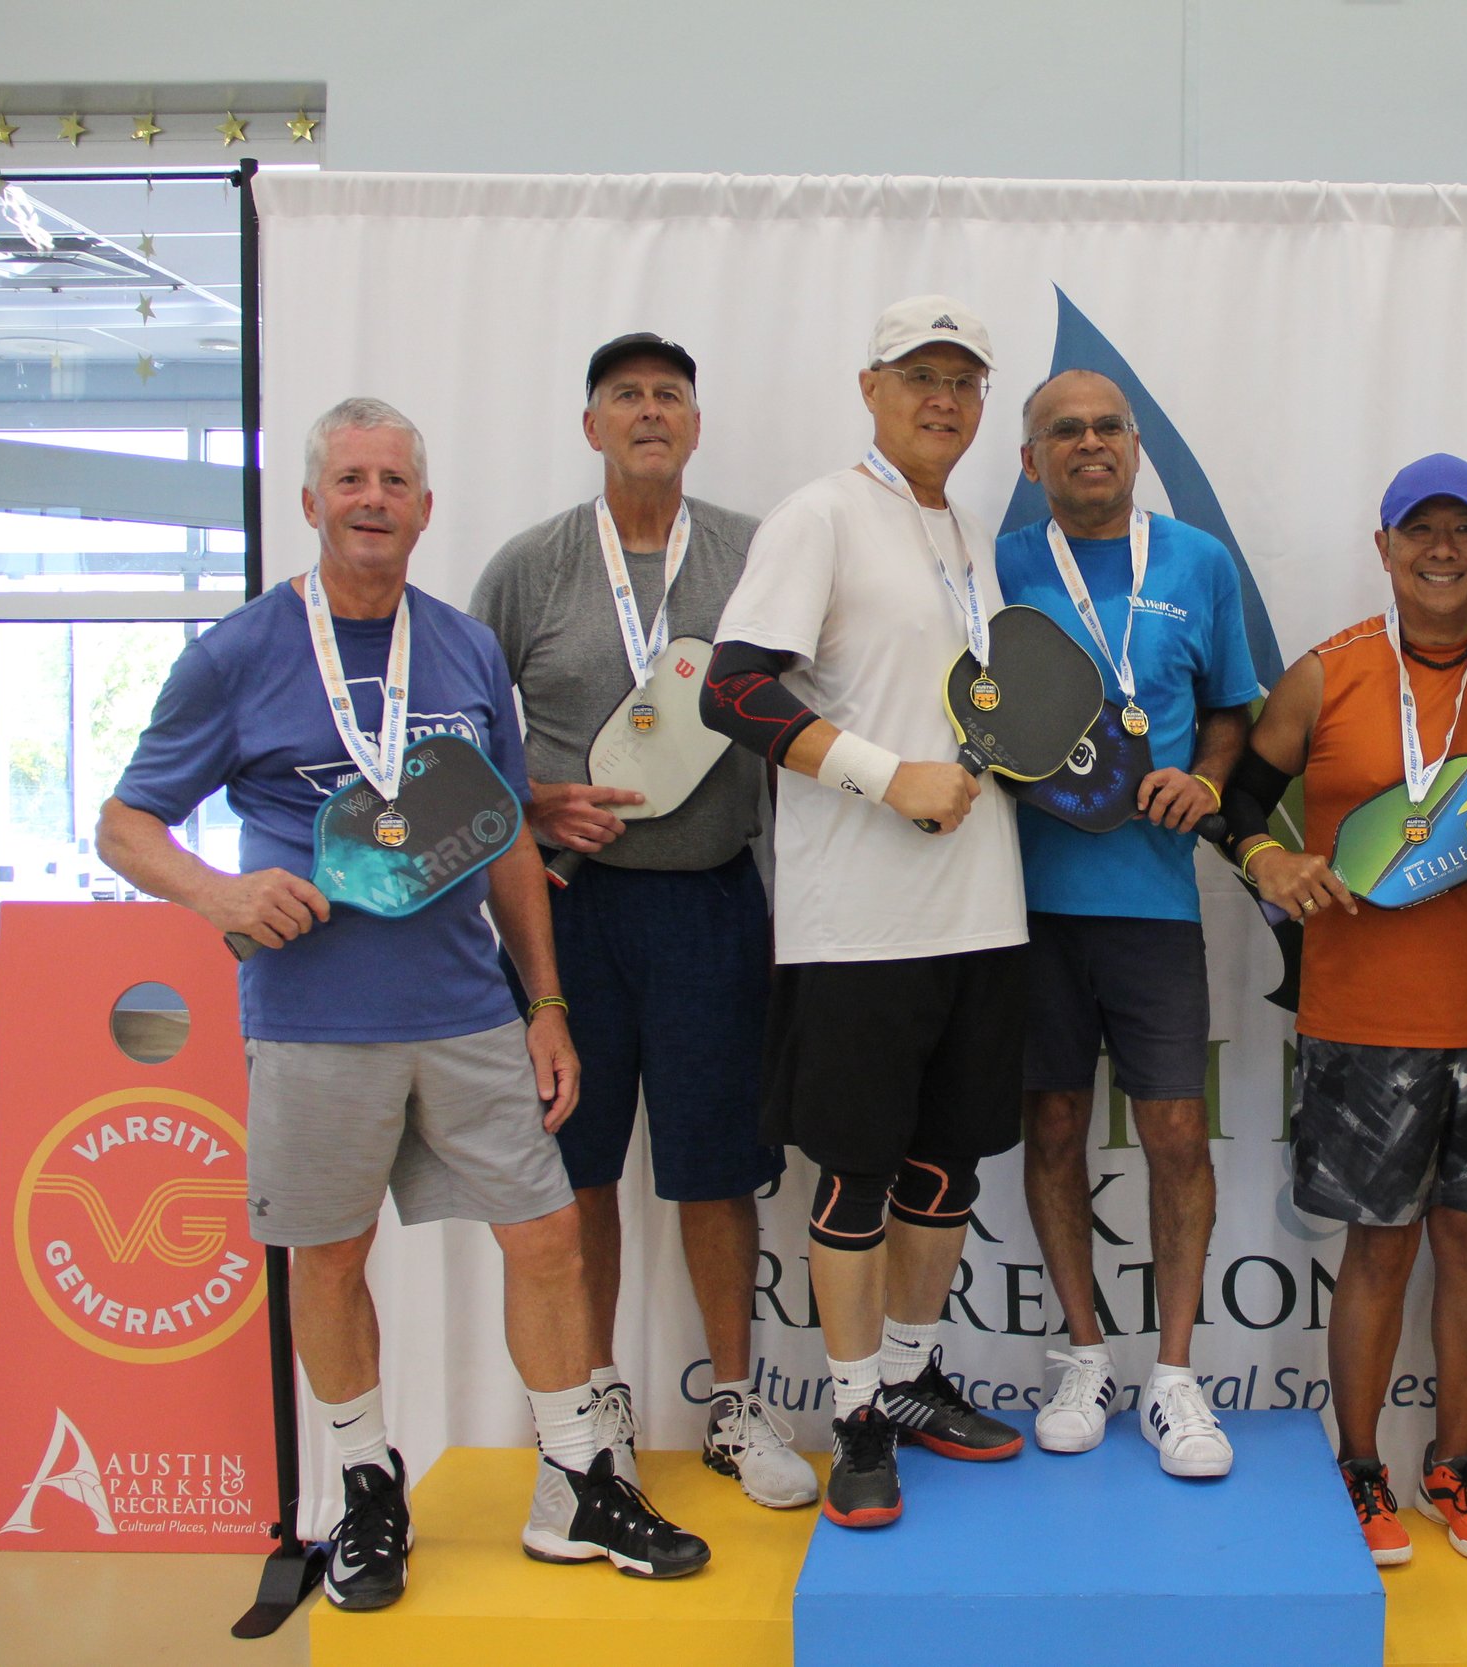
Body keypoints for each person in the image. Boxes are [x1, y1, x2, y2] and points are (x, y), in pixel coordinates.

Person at [96, 398, 708, 1609]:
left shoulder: (465, 648)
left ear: (425, 508)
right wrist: (218, 893)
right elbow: (124, 824)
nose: (373, 497)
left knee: (545, 1236)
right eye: (351, 478)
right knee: (329, 1259)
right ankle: (368, 1494)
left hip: (467, 1011)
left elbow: (503, 840)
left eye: (395, 481)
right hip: (314, 1021)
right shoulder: (239, 651)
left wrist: (545, 1000)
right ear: (311, 502)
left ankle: (579, 1480)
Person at [699, 297, 1028, 1529]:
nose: (942, 398)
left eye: (962, 380)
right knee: (859, 1175)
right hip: (858, 926)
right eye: (918, 376)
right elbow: (732, 691)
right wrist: (884, 777)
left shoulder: (965, 533)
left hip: (981, 908)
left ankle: (907, 1376)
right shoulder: (821, 512)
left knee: (946, 1172)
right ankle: (852, 1417)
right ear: (870, 387)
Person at [469, 334, 813, 1511]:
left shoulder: (754, 553)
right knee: (580, 1171)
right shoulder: (530, 567)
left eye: (670, 394)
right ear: (592, 426)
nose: (650, 411)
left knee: (717, 1170)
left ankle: (732, 1402)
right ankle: (593, 1405)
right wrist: (531, 798)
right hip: (567, 910)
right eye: (626, 395)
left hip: (714, 899)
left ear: (696, 424)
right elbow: (456, 746)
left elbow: (808, 713)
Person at [1220, 454, 1467, 1566]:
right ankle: (1358, 1466)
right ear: (1383, 547)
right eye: (1420, 528)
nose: (1443, 547)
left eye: (1466, 529)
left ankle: (1455, 1467)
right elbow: (1232, 798)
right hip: (1362, 1015)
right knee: (1379, 1249)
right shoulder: (1327, 673)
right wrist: (1268, 856)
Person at [995, 371, 1260, 1477]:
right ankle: (1083, 1352)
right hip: (1024, 905)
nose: (1089, 443)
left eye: (1108, 427)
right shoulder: (993, 567)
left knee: (1173, 1137)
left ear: (1137, 445)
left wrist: (1206, 778)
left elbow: (1235, 709)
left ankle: (1176, 1376)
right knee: (1051, 1127)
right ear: (1031, 460)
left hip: (1152, 904)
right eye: (1065, 430)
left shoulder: (1197, 561)